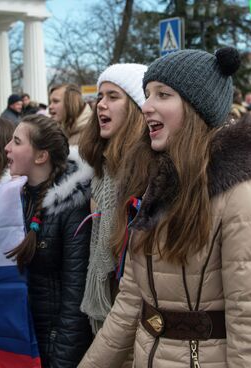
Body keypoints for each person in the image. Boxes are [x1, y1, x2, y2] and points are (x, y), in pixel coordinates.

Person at [79, 48, 251, 367]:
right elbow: (130, 303)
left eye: (163, 94)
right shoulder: (152, 184)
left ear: (197, 107)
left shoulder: (244, 194)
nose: (146, 107)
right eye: (147, 95)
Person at [4, 114, 94, 367]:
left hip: (52, 347)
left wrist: (61, 360)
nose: (7, 148)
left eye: (17, 141)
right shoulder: (11, 202)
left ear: (40, 156)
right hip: (20, 341)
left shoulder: (72, 209)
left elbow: (75, 298)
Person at [78, 63, 147, 336]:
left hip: (135, 314)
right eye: (100, 97)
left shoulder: (146, 172)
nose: (101, 105)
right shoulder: (101, 171)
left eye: (113, 97)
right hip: (108, 308)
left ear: (136, 108)